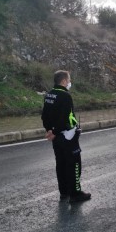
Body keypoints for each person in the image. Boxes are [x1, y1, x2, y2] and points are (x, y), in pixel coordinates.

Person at [41, 70, 91, 203]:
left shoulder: (49, 94)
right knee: (74, 164)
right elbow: (65, 119)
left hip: (56, 138)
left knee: (61, 163)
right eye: (68, 80)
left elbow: (44, 116)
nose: (69, 83)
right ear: (63, 81)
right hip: (67, 136)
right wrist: (56, 131)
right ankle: (75, 194)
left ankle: (64, 192)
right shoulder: (65, 96)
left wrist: (50, 131)